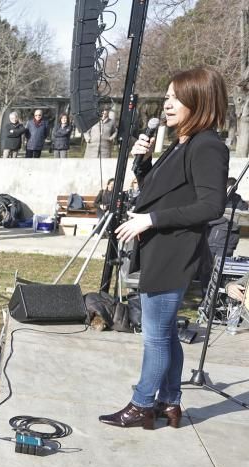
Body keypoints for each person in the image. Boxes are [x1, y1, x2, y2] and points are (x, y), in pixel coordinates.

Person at [101, 67, 229, 430]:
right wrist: (143, 162)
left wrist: (151, 220)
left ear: (199, 100)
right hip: (163, 249)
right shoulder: (184, 142)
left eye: (176, 97)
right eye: (168, 96)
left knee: (155, 335)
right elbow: (159, 190)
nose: (167, 104)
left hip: (176, 252)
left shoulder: (208, 146)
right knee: (166, 333)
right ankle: (170, 402)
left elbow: (211, 206)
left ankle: (142, 404)